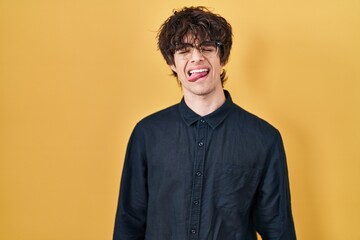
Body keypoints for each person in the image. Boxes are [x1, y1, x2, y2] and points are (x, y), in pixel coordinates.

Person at [113, 6, 296, 240]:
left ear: (223, 57)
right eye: (183, 50)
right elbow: (129, 223)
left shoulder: (264, 139)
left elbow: (278, 230)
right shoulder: (147, 135)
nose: (196, 58)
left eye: (207, 48)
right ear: (172, 63)